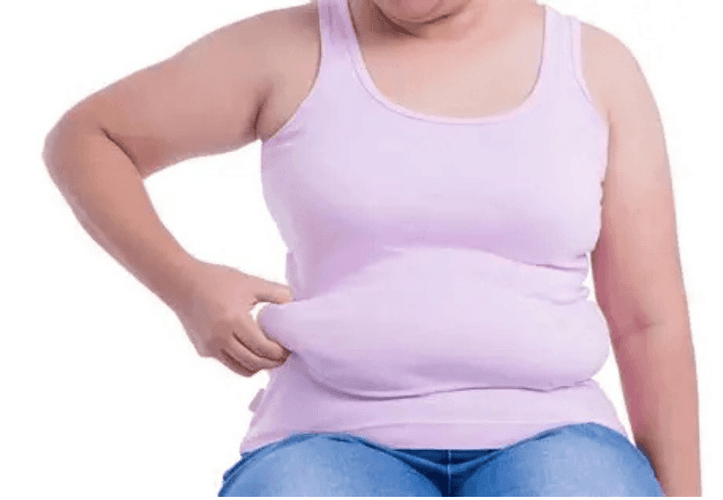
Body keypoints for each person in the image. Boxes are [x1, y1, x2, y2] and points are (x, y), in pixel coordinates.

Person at [42, 0, 700, 496]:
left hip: (556, 433)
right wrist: (185, 284)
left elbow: (648, 323)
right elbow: (90, 137)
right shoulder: (286, 50)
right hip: (325, 436)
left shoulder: (597, 69)